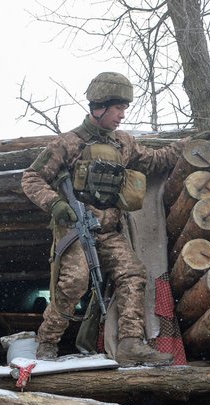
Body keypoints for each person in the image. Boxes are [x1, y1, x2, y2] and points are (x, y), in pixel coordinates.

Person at [21, 72, 185, 366]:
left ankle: (131, 343)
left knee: (133, 274)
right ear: (99, 107)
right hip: (75, 229)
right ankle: (47, 342)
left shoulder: (124, 143)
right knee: (74, 282)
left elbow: (155, 161)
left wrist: (185, 147)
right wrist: (57, 205)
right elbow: (32, 178)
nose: (122, 115)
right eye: (118, 108)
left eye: (124, 108)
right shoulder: (67, 144)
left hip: (108, 230)